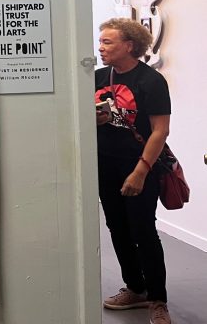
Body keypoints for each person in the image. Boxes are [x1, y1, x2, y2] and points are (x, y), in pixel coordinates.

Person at [95, 18, 173, 324]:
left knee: (143, 231)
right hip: (105, 165)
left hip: (140, 165)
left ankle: (158, 299)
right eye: (101, 42)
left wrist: (140, 171)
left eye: (107, 42)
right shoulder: (98, 76)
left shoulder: (151, 81)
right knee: (117, 228)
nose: (100, 47)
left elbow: (160, 131)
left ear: (129, 46)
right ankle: (136, 287)